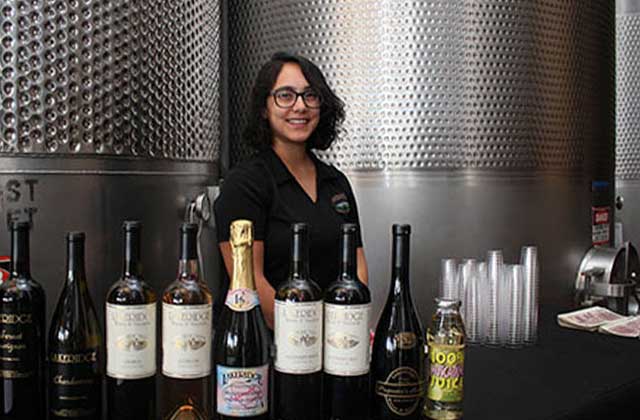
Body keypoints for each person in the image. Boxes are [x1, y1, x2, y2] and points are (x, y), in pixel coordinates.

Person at [214, 52, 368, 328]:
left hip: (333, 343)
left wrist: (347, 329)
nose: (300, 106)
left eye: (310, 95)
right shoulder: (246, 183)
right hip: (266, 348)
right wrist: (308, 338)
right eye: (285, 95)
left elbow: (357, 267)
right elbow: (250, 283)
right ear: (264, 107)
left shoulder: (336, 182)